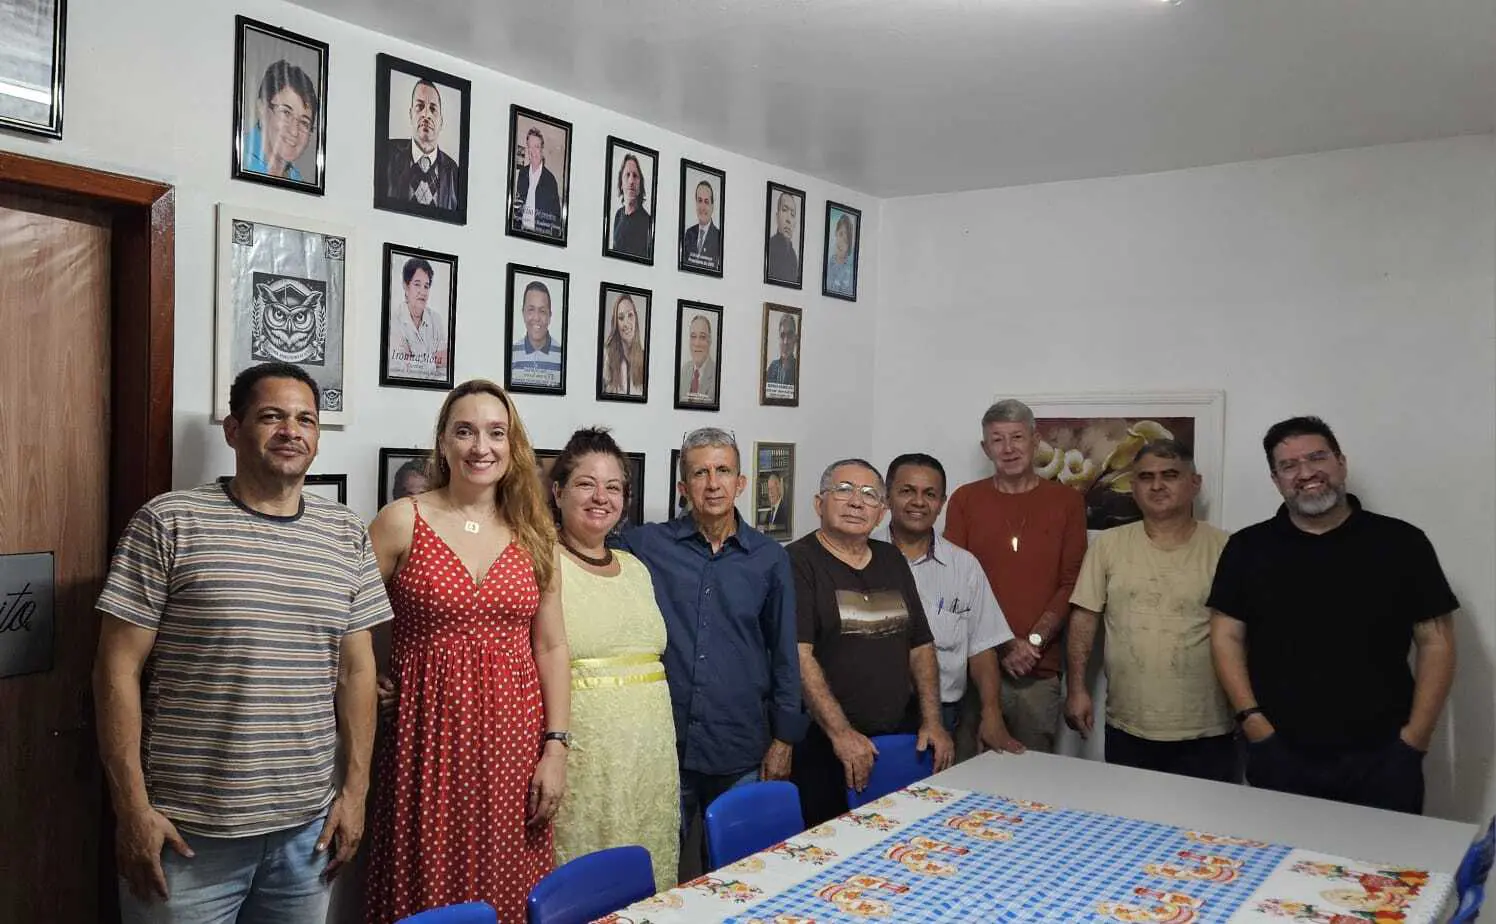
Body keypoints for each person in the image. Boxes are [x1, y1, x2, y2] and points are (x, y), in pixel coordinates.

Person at [93, 362, 388, 923]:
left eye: (305, 419)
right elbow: (116, 669)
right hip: (186, 838)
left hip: (307, 836)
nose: (290, 431)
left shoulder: (346, 534)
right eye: (271, 416)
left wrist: (354, 795)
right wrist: (130, 808)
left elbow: (357, 674)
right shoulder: (170, 522)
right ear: (233, 429)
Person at [365, 380, 570, 922]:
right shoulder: (401, 520)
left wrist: (556, 748)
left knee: (506, 881)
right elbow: (349, 622)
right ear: (443, 443)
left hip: (514, 745)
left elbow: (551, 645)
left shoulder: (534, 532)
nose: (481, 446)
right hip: (424, 743)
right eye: (465, 431)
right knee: (428, 881)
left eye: (495, 432)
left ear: (513, 445)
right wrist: (371, 681)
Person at [1208, 416, 1457, 814]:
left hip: (1385, 753)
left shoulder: (1402, 543)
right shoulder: (1247, 547)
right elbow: (1225, 636)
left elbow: (1437, 640)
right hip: (1280, 750)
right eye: (1289, 465)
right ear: (1276, 479)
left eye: (1317, 457)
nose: (1306, 473)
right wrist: (1253, 722)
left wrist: (1416, 738)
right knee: (1280, 870)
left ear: (1341, 463)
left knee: (1386, 873)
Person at [617, 428, 805, 866]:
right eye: (700, 473)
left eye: (723, 471)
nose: (713, 483)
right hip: (666, 747)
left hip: (740, 745)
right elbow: (582, 547)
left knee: (742, 869)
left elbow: (784, 654)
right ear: (684, 488)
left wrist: (785, 740)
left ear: (741, 483)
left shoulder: (769, 557)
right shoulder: (646, 545)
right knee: (663, 863)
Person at [547, 429, 678, 890]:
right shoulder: (539, 561)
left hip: (649, 763)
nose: (601, 497)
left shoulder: (637, 569)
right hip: (583, 762)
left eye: (614, 487)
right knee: (585, 885)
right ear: (558, 491)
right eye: (586, 483)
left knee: (647, 880)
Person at [791, 459, 953, 826]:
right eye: (843, 490)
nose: (856, 502)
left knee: (903, 844)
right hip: (826, 747)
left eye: (869, 495)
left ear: (881, 512)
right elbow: (799, 657)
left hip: (899, 741)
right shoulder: (797, 562)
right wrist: (842, 734)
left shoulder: (891, 559)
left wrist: (932, 721)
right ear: (819, 503)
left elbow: (920, 646)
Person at [1063, 440, 1237, 782]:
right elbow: (1084, 618)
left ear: (1194, 483)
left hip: (1208, 728)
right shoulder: (1109, 546)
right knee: (1132, 824)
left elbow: (1242, 633)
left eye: (1170, 475)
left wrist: (1249, 710)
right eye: (1145, 477)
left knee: (1207, 831)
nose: (1157, 486)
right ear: (1134, 487)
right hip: (1129, 725)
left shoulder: (1227, 548)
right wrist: (1077, 689)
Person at [944, 399, 1087, 753]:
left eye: (1017, 437)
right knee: (965, 771)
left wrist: (1033, 643)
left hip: (1037, 669)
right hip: (974, 666)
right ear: (985, 447)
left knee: (1031, 774)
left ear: (1035, 440)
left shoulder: (1067, 501)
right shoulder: (965, 500)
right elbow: (954, 579)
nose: (1008, 449)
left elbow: (1072, 581)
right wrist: (1006, 643)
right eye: (997, 440)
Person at [873, 453, 1024, 762]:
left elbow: (982, 646)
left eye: (929, 494)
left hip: (942, 713)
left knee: (934, 800)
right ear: (887, 497)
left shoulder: (964, 566)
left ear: (942, 502)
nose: (918, 502)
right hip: (872, 714)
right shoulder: (861, 556)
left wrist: (991, 714)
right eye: (907, 491)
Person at [381, 79, 460, 210]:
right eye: (420, 106)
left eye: (433, 109)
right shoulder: (387, 155)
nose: (426, 114)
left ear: (441, 121)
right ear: (410, 114)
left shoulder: (453, 172)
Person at [242, 60, 318, 181]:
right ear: (262, 108)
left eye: (304, 122)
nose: (294, 131)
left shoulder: (297, 180)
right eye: (286, 112)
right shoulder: (237, 159)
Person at [388, 256, 448, 381]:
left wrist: (414, 361)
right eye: (417, 284)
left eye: (426, 286)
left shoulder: (436, 319)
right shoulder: (394, 322)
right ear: (406, 286)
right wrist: (433, 361)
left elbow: (445, 362)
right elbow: (401, 370)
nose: (423, 291)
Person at [510, 280, 563, 389]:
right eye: (531, 310)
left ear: (550, 316)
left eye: (542, 311)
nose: (536, 318)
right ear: (523, 313)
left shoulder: (562, 356)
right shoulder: (512, 355)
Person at [513, 126, 562, 237]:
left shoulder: (550, 180)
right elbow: (518, 206)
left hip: (540, 237)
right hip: (521, 233)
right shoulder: (522, 174)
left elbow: (556, 217)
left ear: (542, 150)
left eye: (536, 147)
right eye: (530, 146)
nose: (533, 151)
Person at [602, 292, 646, 397]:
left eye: (630, 315)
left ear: (636, 318)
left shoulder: (645, 358)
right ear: (616, 324)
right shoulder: (606, 355)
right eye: (621, 318)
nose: (626, 323)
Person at [611, 152, 652, 258]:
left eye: (635, 176)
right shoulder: (618, 215)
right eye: (627, 175)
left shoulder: (648, 222)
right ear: (621, 183)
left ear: (640, 184)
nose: (631, 181)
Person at [681, 179, 722, 271]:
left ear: (712, 206)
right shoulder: (689, 233)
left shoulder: (719, 237)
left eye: (706, 201)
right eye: (699, 200)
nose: (702, 207)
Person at [678, 314, 716, 404]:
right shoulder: (684, 370)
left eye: (702, 337)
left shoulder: (717, 374)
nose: (697, 343)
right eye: (693, 336)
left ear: (709, 341)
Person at [766, 191, 800, 283]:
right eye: (784, 210)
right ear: (777, 217)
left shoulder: (793, 256)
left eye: (792, 214)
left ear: (795, 223)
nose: (788, 219)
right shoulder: (769, 248)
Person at [825, 213, 856, 296]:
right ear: (836, 233)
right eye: (840, 234)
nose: (841, 243)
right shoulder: (829, 263)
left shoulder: (851, 268)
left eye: (846, 240)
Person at [765, 313, 798, 387]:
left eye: (789, 335)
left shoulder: (798, 370)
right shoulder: (772, 368)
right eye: (782, 336)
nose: (786, 342)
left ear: (795, 339)